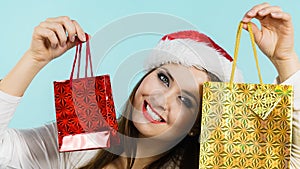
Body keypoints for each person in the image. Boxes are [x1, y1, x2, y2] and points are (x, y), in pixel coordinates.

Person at [0, 2, 299, 169]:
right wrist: (34, 59)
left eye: (186, 100)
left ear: (198, 124)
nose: (160, 97)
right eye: (164, 78)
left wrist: (285, 59)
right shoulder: (85, 141)